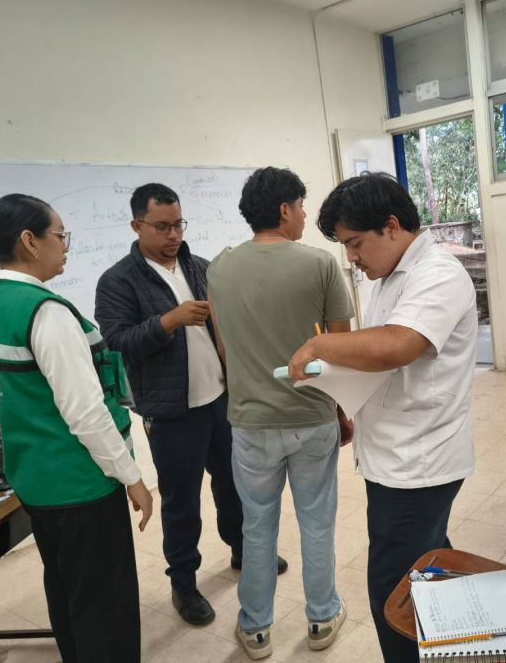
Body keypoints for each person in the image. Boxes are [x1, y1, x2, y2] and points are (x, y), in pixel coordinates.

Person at [288, 172, 478, 663]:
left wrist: (320, 343)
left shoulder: (438, 273)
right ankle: (458, 643)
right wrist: (342, 397)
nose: (351, 257)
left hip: (418, 464)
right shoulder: (388, 275)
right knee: (432, 562)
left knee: (393, 589)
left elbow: (398, 344)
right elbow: (375, 354)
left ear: (391, 226)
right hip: (395, 454)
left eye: (354, 244)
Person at [95, 183, 286, 627]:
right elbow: (118, 342)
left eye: (178, 224)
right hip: (171, 414)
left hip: (220, 399)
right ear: (136, 225)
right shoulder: (118, 281)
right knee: (181, 503)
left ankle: (241, 551)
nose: (173, 235)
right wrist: (168, 321)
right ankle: (184, 584)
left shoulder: (200, 267)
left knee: (235, 485)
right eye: (161, 226)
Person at [0, 194, 152, 662]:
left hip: (36, 479)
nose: (65, 245)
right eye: (59, 235)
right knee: (104, 606)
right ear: (29, 242)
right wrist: (131, 477)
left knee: (68, 589)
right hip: (80, 486)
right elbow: (85, 411)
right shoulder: (46, 311)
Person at [207, 167, 354, 659]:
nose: (306, 216)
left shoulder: (220, 268)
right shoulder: (321, 263)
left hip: (249, 422)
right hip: (311, 417)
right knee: (316, 522)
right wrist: (342, 409)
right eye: (302, 206)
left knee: (256, 524)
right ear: (286, 209)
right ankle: (321, 617)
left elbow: (225, 347)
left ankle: (255, 628)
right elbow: (341, 347)